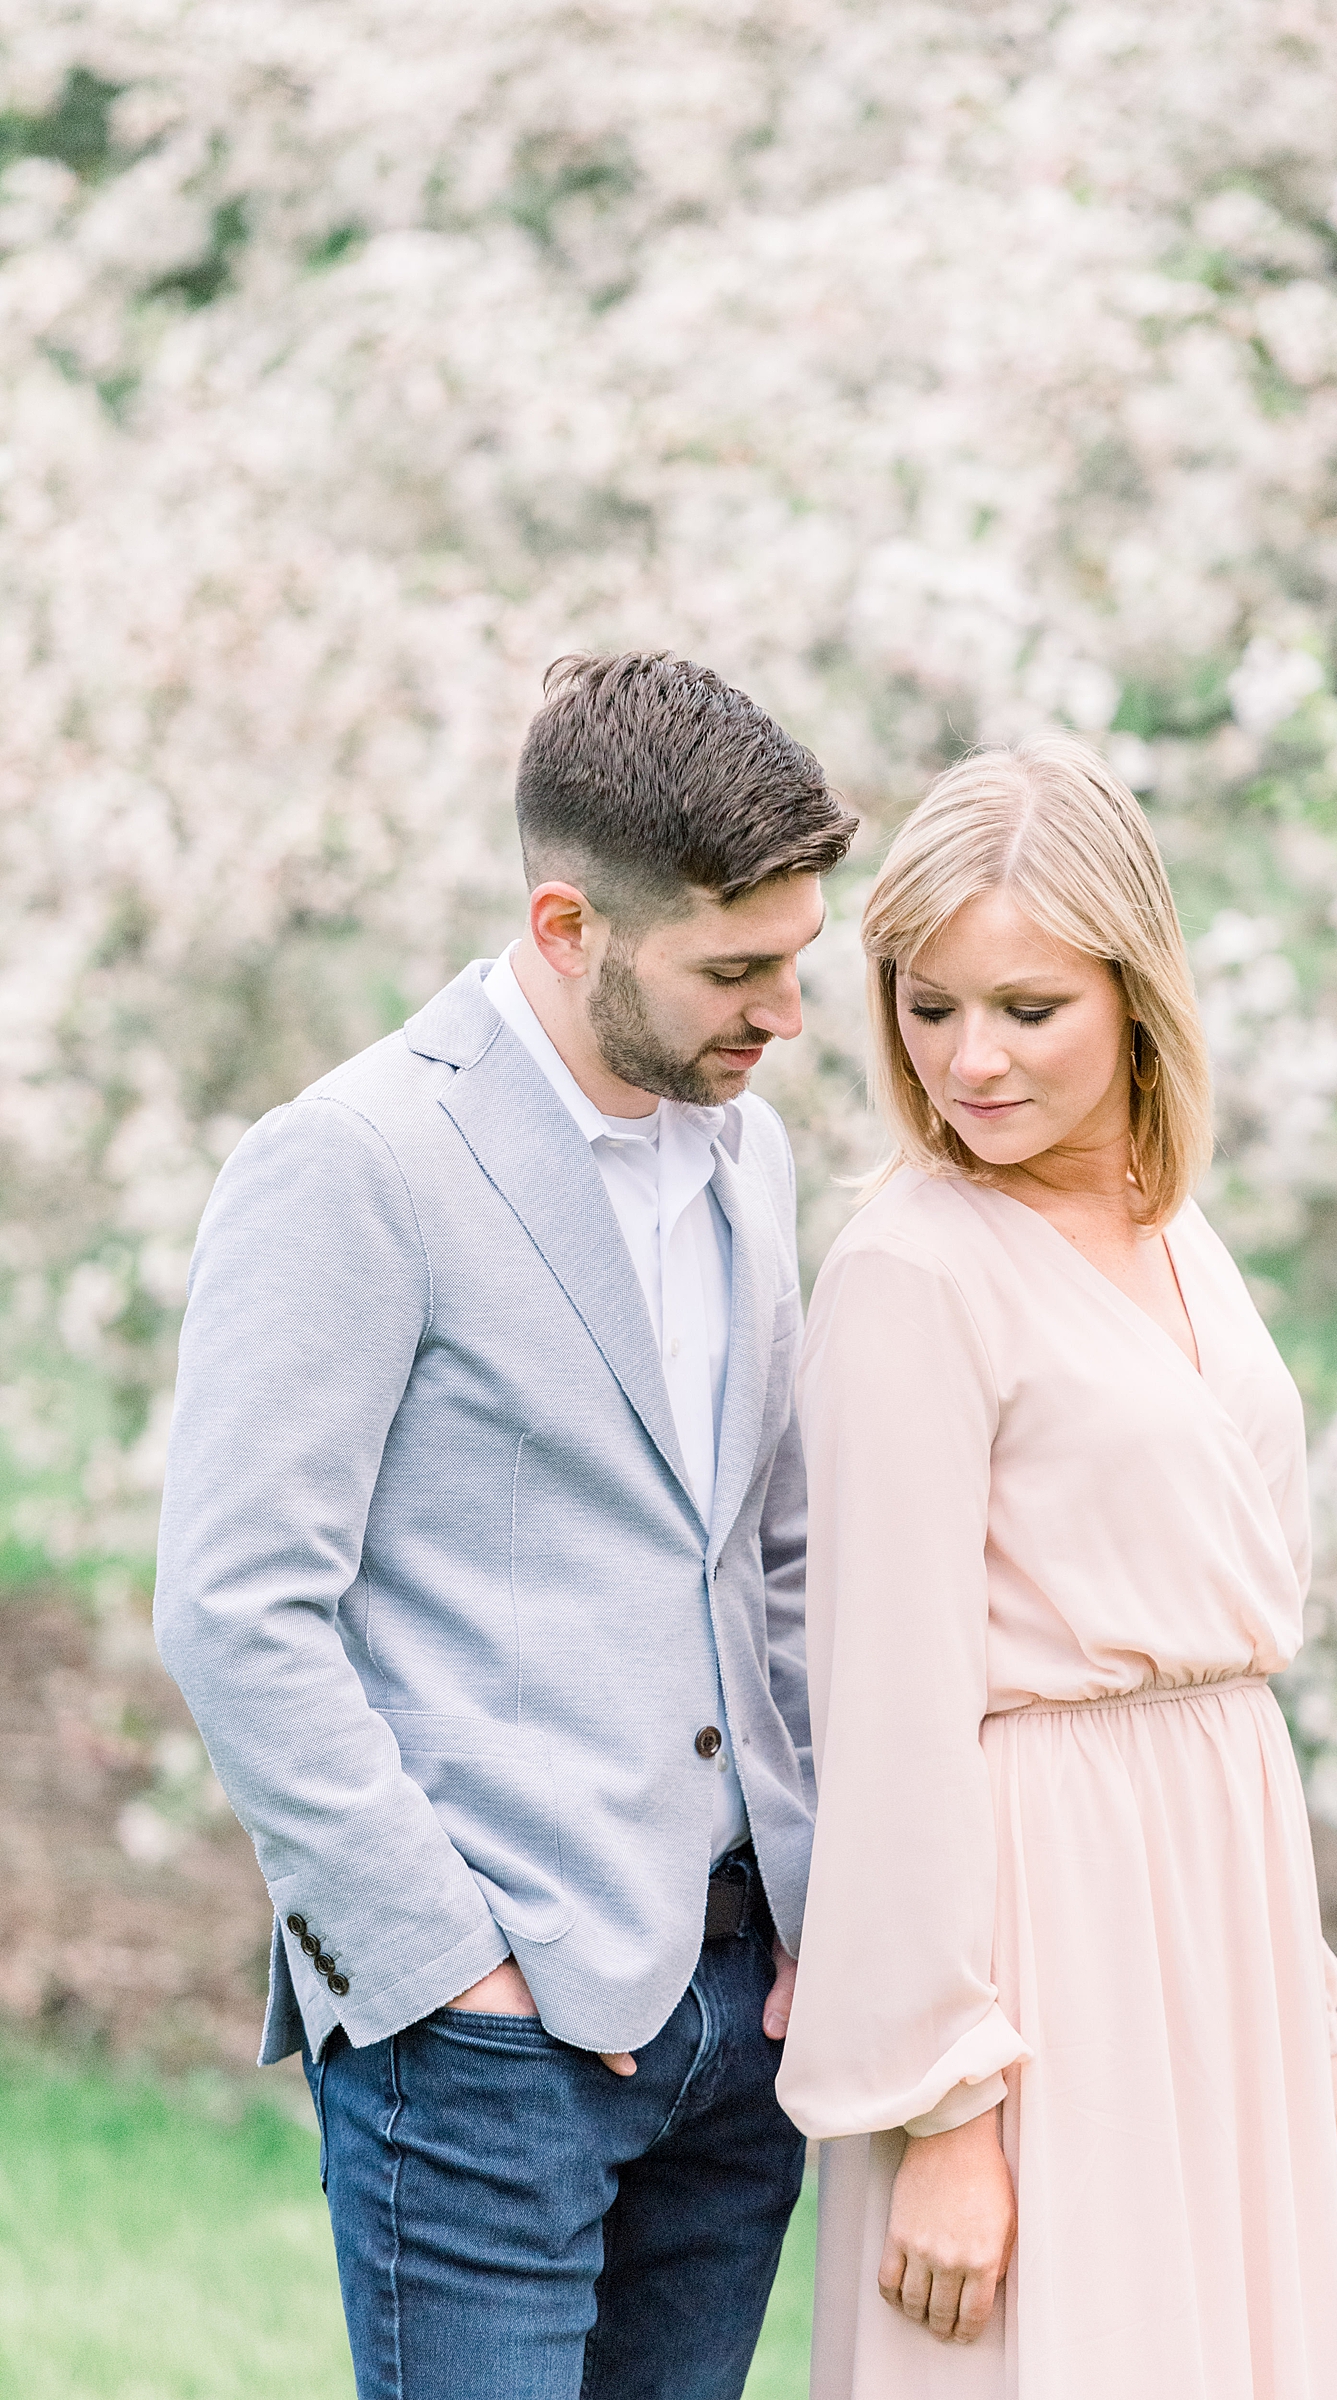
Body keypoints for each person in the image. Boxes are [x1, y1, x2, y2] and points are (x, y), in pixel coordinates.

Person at [154, 652, 857, 2400]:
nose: (785, 1014)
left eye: (795, 960)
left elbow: (762, 1555)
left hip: (736, 2015)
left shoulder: (746, 1153)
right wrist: (442, 1969)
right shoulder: (351, 1163)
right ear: (565, 924)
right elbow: (239, 1608)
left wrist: (809, 1893)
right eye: (735, 970)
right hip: (486, 2045)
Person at [776, 738, 1337, 2398]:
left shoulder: (1183, 1239)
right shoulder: (907, 1270)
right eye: (926, 1004)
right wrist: (946, 2109)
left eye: (1026, 1009)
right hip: (1040, 1931)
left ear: (1133, 992)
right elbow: (881, 1717)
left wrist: (1293, 1997)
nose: (968, 1060)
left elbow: (1236, 1663)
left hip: (1218, 1895)